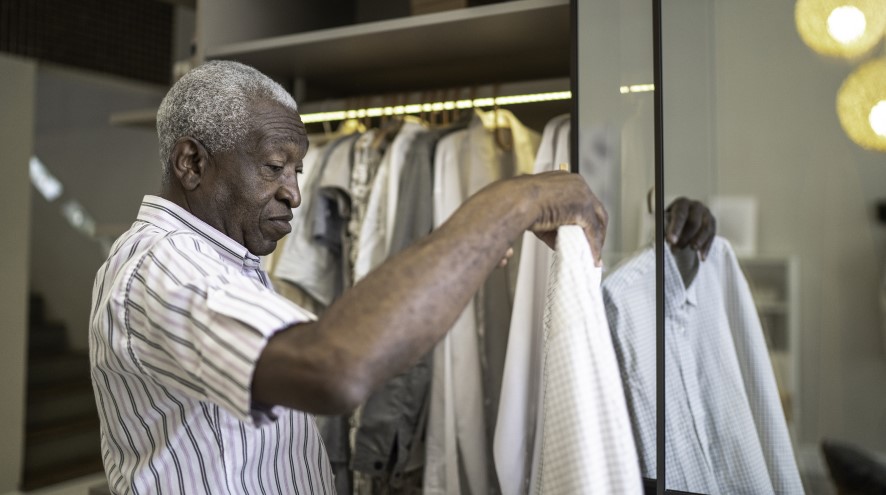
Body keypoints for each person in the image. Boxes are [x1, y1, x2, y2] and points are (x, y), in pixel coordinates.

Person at [89, 60, 714, 494]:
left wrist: (665, 259)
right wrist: (511, 203)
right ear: (192, 162)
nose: (295, 195)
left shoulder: (226, 262)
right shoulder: (161, 268)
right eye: (276, 168)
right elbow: (334, 365)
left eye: (299, 171)